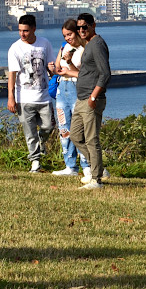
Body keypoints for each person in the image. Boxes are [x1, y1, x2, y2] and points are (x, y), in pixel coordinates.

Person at [6, 14, 56, 173]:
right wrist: (11, 97)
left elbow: (51, 66)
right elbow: (12, 75)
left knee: (49, 126)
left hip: (44, 97)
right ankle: (35, 162)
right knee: (29, 133)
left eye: (26, 31)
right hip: (24, 98)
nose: (22, 34)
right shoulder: (15, 48)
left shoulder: (44, 43)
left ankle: (41, 144)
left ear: (34, 29)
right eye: (20, 30)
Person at [71, 12, 111, 190]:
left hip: (91, 99)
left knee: (91, 139)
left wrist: (94, 97)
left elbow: (105, 73)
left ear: (93, 25)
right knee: (75, 135)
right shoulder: (88, 44)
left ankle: (96, 179)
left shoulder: (97, 44)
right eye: (78, 27)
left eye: (84, 27)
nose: (81, 30)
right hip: (81, 98)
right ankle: (98, 168)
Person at [50, 19, 89, 178]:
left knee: (80, 128)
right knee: (64, 128)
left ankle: (87, 165)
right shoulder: (65, 46)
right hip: (62, 88)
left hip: (76, 88)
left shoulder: (84, 49)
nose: (67, 38)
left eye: (70, 34)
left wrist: (69, 63)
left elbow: (85, 73)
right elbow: (58, 69)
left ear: (78, 32)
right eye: (65, 35)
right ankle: (70, 165)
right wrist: (55, 66)